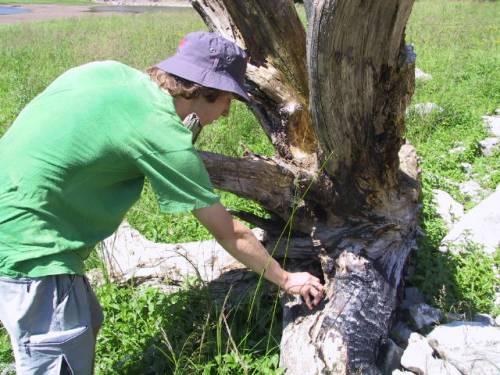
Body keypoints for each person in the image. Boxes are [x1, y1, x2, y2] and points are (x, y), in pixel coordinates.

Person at [0, 31, 324, 374]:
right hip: (32, 249)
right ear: (204, 90)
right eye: (228, 99)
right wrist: (288, 280)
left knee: (88, 319)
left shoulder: (107, 72)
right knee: (59, 358)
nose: (228, 113)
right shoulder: (159, 131)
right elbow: (230, 232)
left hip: (14, 214)